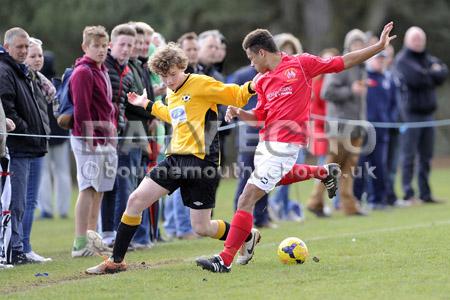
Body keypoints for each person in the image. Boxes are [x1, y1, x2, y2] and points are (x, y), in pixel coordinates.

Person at [196, 22, 396, 273]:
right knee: (272, 182)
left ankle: (224, 259)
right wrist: (240, 113)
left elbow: (342, 62)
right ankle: (323, 172)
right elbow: (261, 115)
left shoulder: (302, 64)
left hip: (286, 145)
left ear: (262, 53)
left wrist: (377, 47)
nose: (250, 65)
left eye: (251, 58)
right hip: (265, 144)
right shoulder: (261, 81)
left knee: (245, 199)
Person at [85, 42, 257, 274]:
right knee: (136, 200)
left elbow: (235, 95)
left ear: (182, 66)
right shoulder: (171, 91)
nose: (168, 81)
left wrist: (255, 84)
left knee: (201, 227)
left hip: (201, 162)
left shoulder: (200, 83)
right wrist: (146, 104)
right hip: (175, 159)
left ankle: (246, 235)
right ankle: (116, 261)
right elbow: (173, 115)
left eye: (172, 75)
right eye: (164, 77)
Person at [308, 28, 369, 217]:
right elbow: (327, 92)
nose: (358, 47)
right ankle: (315, 201)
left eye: (361, 43)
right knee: (331, 167)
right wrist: (350, 90)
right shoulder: (341, 65)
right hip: (339, 128)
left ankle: (349, 205)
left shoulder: (362, 68)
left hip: (356, 128)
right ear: (348, 46)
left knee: (348, 169)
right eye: (355, 43)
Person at [0, 28, 49, 265]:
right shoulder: (5, 70)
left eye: (25, 46)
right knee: (15, 202)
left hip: (31, 145)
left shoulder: (23, 71)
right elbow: (8, 110)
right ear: (7, 47)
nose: (23, 51)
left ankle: (21, 247)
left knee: (26, 202)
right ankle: (14, 249)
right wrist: (27, 130)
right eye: (19, 47)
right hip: (18, 145)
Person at [70, 26, 117, 258]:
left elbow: (108, 107)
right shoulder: (83, 72)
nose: (100, 50)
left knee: (100, 189)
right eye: (95, 46)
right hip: (88, 140)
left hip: (106, 138)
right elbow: (81, 110)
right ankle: (80, 242)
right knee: (87, 187)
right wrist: (90, 139)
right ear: (85, 47)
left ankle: (92, 237)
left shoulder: (103, 70)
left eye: (103, 46)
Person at [395, 26, 448, 204]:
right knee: (409, 156)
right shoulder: (403, 60)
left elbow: (443, 73)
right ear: (407, 41)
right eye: (415, 39)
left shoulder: (427, 58)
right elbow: (416, 79)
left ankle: (425, 193)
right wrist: (431, 72)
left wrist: (430, 73)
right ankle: (408, 194)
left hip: (428, 115)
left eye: (420, 39)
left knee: (426, 156)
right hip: (411, 115)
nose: (418, 42)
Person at [22, 37, 53, 262]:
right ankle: (19, 246)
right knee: (20, 201)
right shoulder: (21, 80)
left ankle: (25, 245)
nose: (37, 59)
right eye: (32, 55)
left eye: (39, 55)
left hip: (39, 146)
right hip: (23, 147)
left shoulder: (42, 82)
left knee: (31, 200)